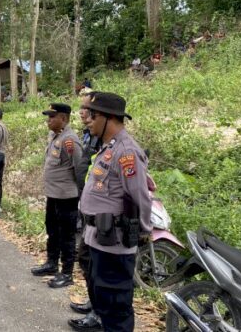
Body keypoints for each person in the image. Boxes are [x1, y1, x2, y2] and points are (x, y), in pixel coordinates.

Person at [73, 91, 152, 332]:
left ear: (109, 118)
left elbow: (139, 196)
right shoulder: (108, 147)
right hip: (98, 239)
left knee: (116, 309)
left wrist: (144, 230)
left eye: (93, 115)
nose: (87, 119)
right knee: (104, 304)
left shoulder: (126, 152)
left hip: (114, 244)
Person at [31, 103, 85, 288]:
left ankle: (67, 272)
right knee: (52, 230)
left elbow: (79, 169)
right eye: (48, 116)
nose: (49, 120)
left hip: (67, 197)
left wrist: (81, 194)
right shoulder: (55, 136)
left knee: (66, 235)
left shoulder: (70, 140)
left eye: (52, 117)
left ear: (63, 118)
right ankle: (52, 263)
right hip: (53, 195)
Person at [68, 92, 103, 331]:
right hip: (86, 205)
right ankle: (93, 304)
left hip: (103, 220)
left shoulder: (114, 146)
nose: (85, 118)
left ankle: (98, 313)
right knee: (86, 259)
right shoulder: (89, 135)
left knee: (95, 263)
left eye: (88, 114)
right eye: (83, 113)